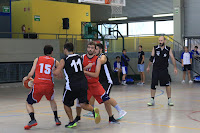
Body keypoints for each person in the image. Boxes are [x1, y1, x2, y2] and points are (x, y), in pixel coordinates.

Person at [53, 43, 101, 128]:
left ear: (65, 49)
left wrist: (52, 70)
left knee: (66, 103)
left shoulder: (64, 59)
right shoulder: (79, 57)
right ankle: (93, 110)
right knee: (83, 104)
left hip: (72, 85)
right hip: (83, 83)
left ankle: (71, 121)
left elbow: (57, 72)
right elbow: (80, 69)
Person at [75, 42, 119, 124]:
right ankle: (78, 117)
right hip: (85, 85)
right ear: (87, 48)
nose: (90, 49)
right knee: (80, 103)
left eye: (92, 47)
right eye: (89, 47)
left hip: (95, 84)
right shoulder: (82, 58)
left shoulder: (97, 59)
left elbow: (96, 74)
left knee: (106, 99)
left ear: (95, 49)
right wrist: (86, 68)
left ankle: (111, 117)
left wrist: (85, 72)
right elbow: (78, 71)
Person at [23, 45, 62, 130]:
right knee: (51, 100)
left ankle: (33, 119)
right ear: (52, 52)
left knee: (28, 103)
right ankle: (56, 118)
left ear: (43, 51)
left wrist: (26, 78)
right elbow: (60, 76)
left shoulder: (38, 59)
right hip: (49, 85)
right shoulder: (55, 61)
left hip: (38, 85)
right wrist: (54, 73)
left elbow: (31, 73)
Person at [146, 36, 177, 106]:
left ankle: (169, 100)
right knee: (153, 84)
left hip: (164, 70)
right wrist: (148, 66)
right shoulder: (155, 48)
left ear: (164, 41)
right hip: (156, 69)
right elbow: (151, 58)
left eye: (161, 40)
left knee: (167, 84)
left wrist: (175, 68)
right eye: (159, 40)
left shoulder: (168, 49)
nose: (160, 42)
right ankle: (152, 99)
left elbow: (172, 57)